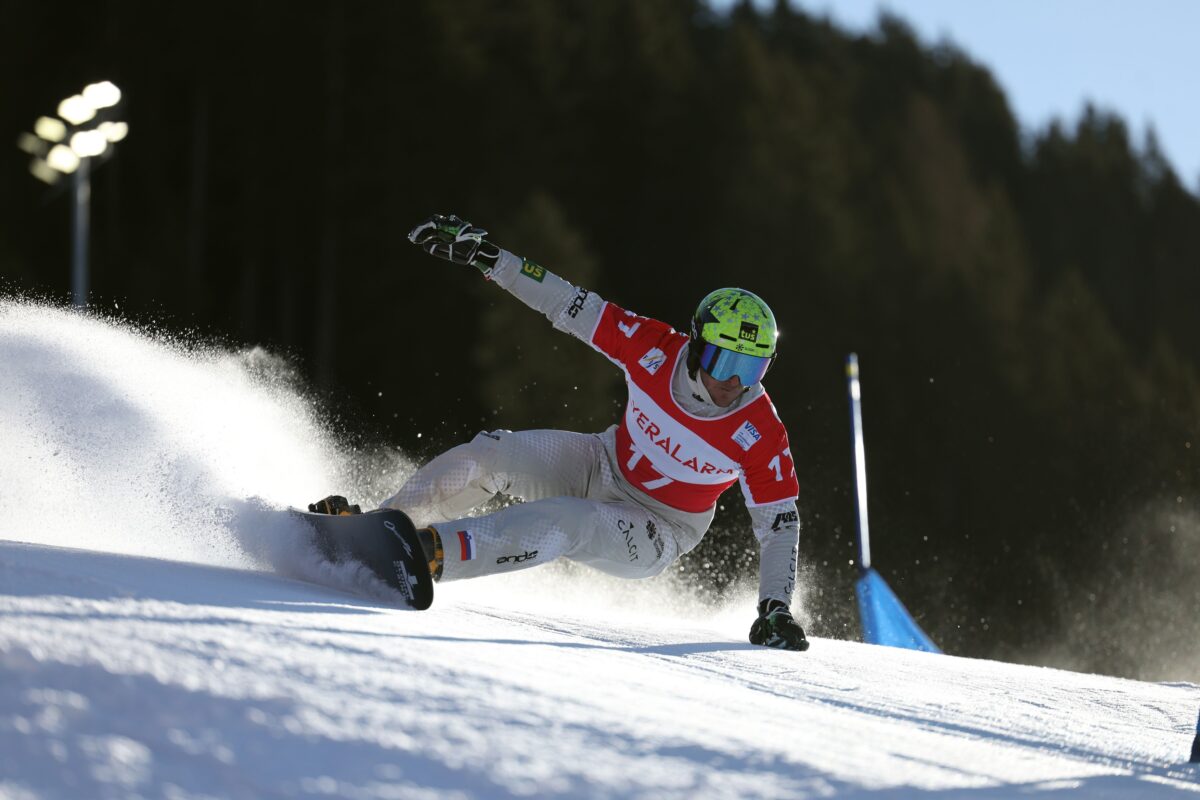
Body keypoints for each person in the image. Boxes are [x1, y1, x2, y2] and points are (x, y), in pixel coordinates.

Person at [312, 213, 808, 650]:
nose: (734, 383)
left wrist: (775, 608)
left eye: (753, 368)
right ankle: (379, 529)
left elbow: (779, 525)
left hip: (660, 528)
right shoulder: (654, 348)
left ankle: (430, 554)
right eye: (725, 361)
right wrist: (489, 257)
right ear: (697, 348)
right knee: (493, 452)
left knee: (568, 521)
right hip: (602, 461)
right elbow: (570, 304)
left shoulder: (760, 431)